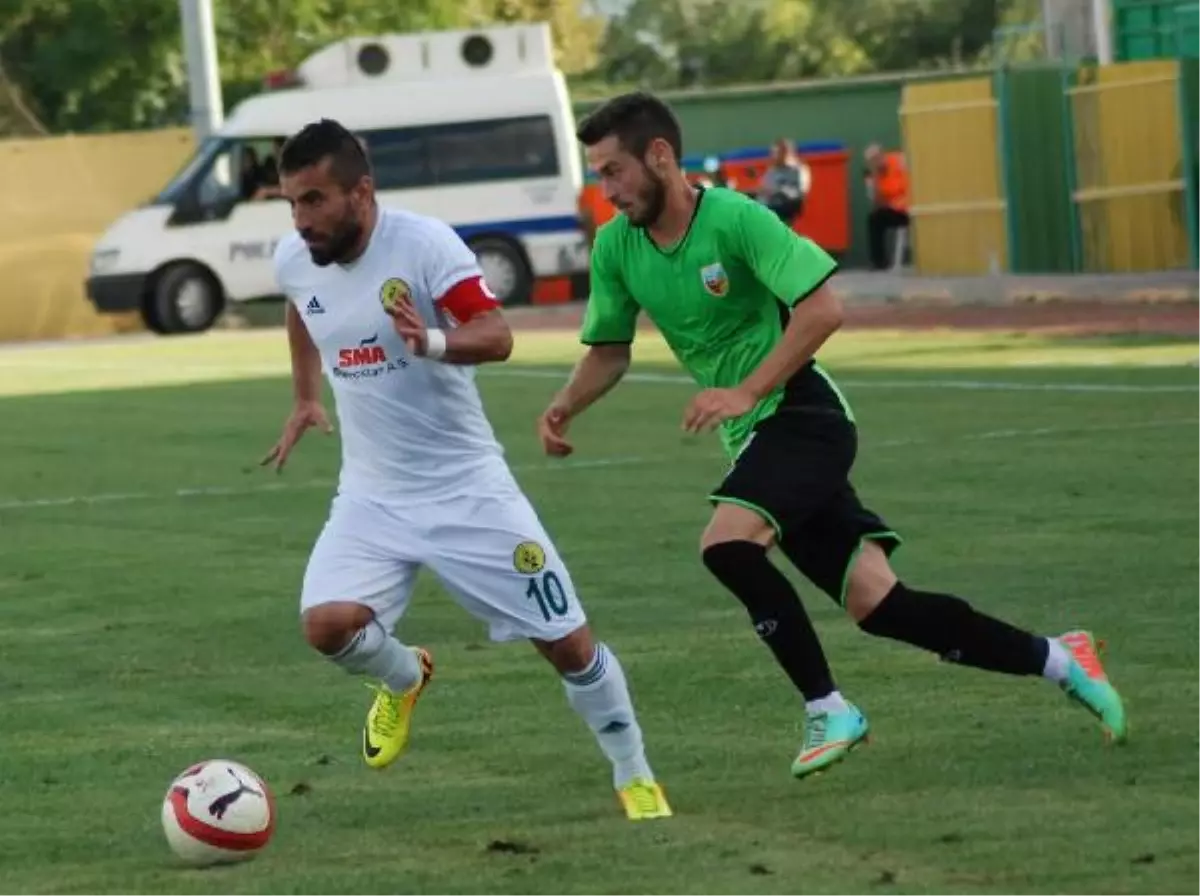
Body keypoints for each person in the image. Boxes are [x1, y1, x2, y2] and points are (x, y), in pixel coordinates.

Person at [537, 92, 1128, 779]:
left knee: (727, 546)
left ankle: (828, 708)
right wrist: (564, 405)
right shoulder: (617, 247)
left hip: (804, 418)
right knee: (881, 605)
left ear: (660, 156)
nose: (605, 191)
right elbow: (610, 349)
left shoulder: (735, 218)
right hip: (757, 440)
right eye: (599, 174)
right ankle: (1063, 659)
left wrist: (746, 390)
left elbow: (824, 308)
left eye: (613, 171)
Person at [262, 118, 671, 821]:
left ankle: (634, 773)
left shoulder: (423, 246)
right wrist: (304, 395)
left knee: (568, 642)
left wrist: (434, 341)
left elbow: (499, 334)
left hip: (466, 490)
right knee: (327, 625)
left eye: (315, 201)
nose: (301, 220)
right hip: (370, 495)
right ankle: (403, 676)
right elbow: (304, 311)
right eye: (292, 203)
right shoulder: (297, 257)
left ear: (363, 191)